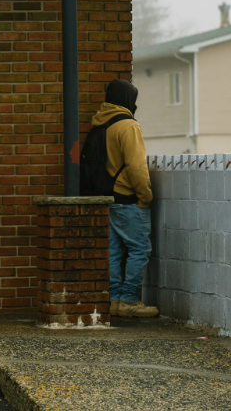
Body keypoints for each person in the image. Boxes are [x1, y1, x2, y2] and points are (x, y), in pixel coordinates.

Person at [91, 79, 159, 318]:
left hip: (105, 198)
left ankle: (114, 300)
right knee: (139, 249)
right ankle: (129, 300)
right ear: (129, 99)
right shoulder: (128, 125)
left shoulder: (101, 123)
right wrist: (145, 197)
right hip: (128, 199)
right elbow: (137, 166)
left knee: (114, 252)